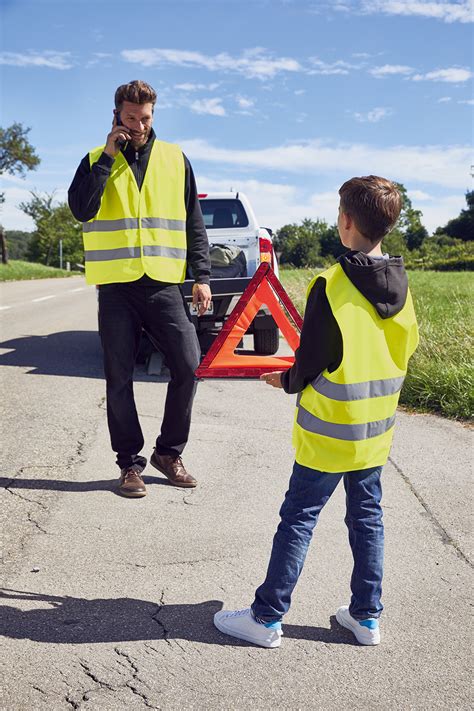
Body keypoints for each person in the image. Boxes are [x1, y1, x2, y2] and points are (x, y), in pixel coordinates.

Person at [214, 176, 419, 647]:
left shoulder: (333, 282)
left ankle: (265, 618)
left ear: (345, 221)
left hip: (329, 432)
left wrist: (284, 380)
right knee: (367, 518)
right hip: (375, 432)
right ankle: (367, 617)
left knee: (299, 517)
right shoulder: (403, 284)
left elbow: (311, 360)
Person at [68, 80, 211, 498]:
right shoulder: (97, 159)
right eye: (130, 118)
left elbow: (193, 222)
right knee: (118, 376)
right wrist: (109, 155)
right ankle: (129, 464)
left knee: (188, 365)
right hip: (117, 287)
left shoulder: (174, 158)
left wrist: (201, 277)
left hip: (164, 284)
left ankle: (169, 452)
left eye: (145, 118)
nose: (138, 125)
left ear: (154, 114)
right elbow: (81, 209)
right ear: (116, 115)